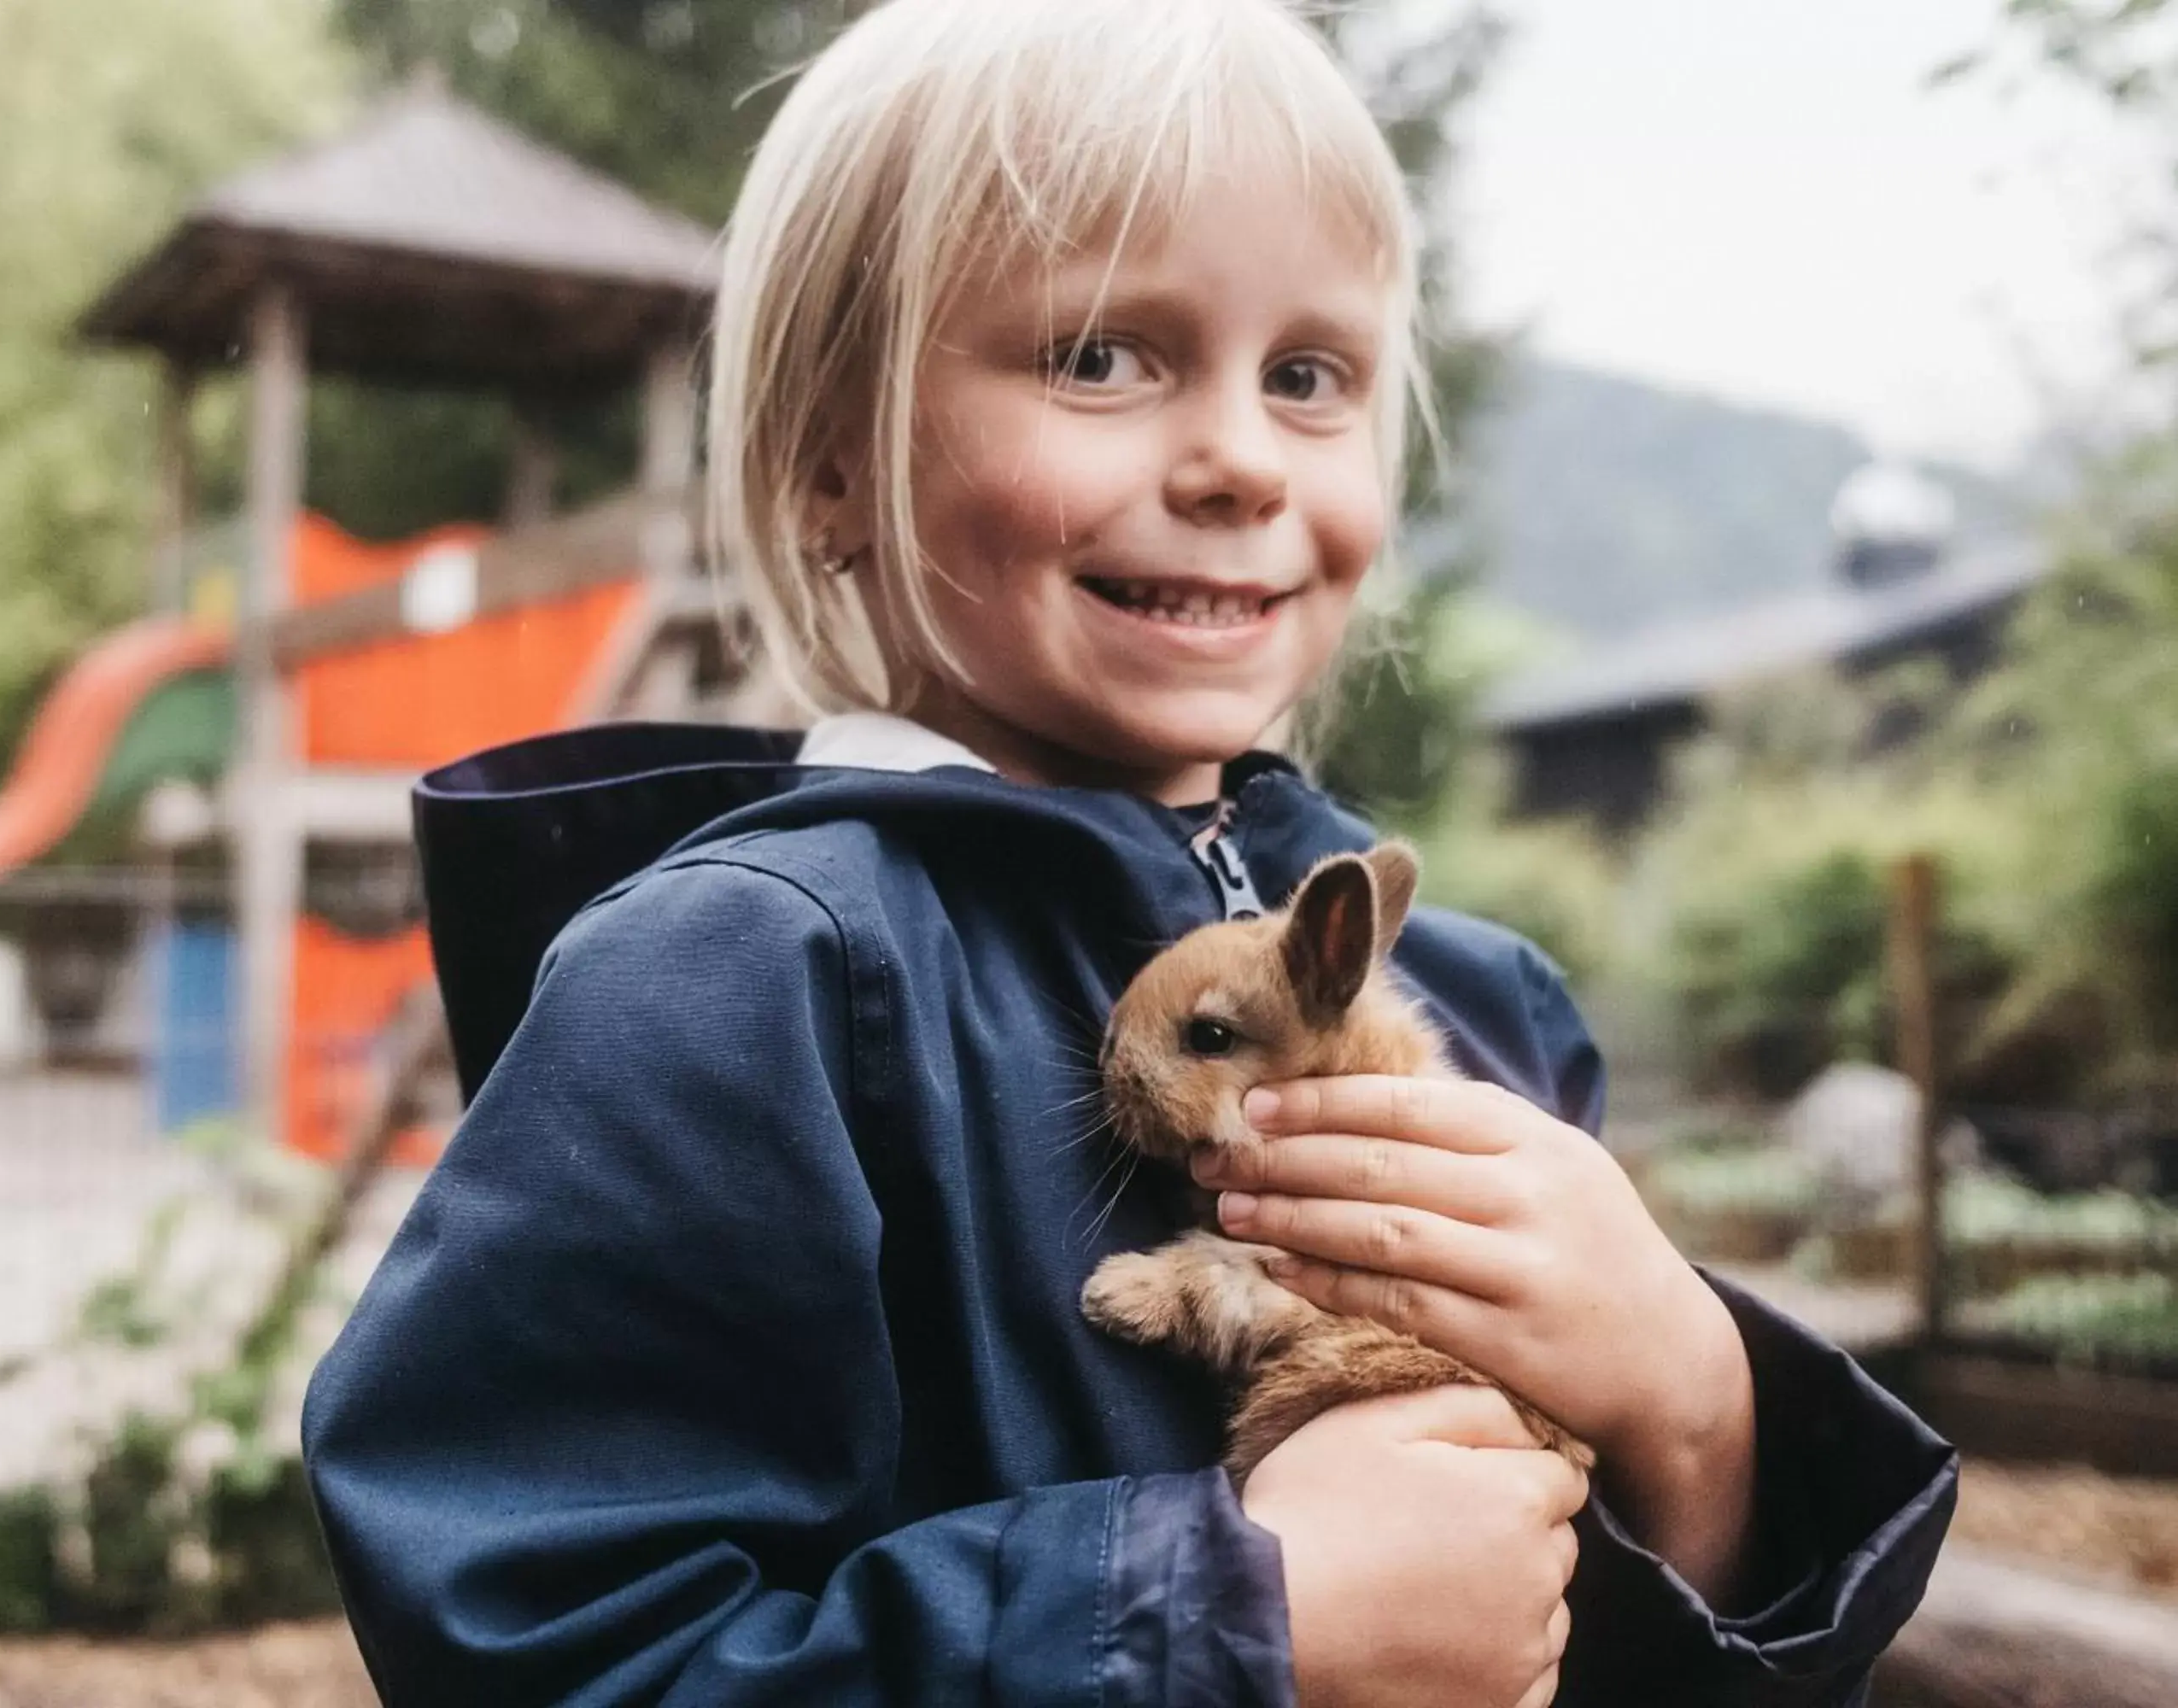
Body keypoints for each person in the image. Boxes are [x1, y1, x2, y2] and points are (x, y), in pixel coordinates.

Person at [302, 1, 1956, 1702]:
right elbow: (551, 1641)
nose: (1241, 455)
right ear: (821, 468)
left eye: (1308, 377)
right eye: (1101, 354)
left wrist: (1695, 1412)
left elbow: (1567, 1635)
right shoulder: (730, 983)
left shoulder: (1480, 1009)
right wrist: (1216, 1614)